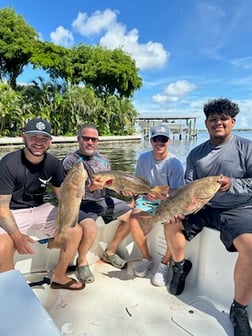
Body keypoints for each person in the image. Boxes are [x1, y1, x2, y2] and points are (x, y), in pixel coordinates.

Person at [164, 98, 252, 336]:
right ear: (206, 124)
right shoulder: (195, 154)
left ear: (233, 122)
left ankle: (239, 309)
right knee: (170, 225)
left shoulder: (247, 148)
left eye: (223, 119)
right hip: (203, 207)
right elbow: (188, 187)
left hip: (239, 209)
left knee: (251, 248)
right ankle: (181, 267)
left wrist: (231, 184)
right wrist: (182, 206)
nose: (218, 123)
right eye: (213, 119)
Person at [0, 118, 85, 290]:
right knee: (3, 246)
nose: (39, 142)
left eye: (44, 138)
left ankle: (59, 276)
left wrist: (78, 193)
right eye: (34, 137)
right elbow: (2, 208)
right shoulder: (8, 163)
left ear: (50, 141)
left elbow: (63, 195)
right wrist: (16, 236)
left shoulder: (53, 163)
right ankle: (9, 289)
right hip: (12, 211)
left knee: (76, 230)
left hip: (40, 208)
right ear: (24, 137)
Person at [62, 124, 132, 284]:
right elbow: (69, 192)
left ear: (97, 141)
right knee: (90, 228)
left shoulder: (104, 160)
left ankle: (111, 251)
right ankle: (82, 262)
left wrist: (121, 190)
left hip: (103, 200)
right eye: (86, 138)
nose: (90, 142)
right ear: (78, 139)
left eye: (93, 139)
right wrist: (91, 188)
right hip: (82, 203)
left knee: (133, 216)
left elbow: (110, 187)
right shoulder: (70, 161)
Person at [130, 124, 185, 286]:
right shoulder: (143, 158)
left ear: (169, 141)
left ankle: (165, 263)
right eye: (156, 139)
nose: (159, 142)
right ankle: (146, 257)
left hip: (169, 201)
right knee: (133, 219)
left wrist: (161, 197)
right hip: (147, 198)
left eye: (164, 139)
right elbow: (138, 184)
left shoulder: (175, 163)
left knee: (173, 224)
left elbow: (178, 193)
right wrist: (134, 196)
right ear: (151, 140)